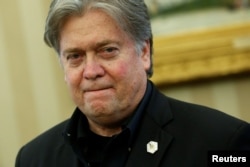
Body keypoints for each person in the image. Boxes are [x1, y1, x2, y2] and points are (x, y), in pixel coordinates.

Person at [15, 0, 250, 167]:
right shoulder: (34, 158)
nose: (91, 71)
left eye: (107, 51)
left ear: (144, 52)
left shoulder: (223, 143)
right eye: (75, 56)